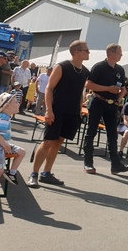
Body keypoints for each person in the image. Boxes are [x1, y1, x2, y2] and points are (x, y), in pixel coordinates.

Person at [27, 41, 91, 188]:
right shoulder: (62, 67)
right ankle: (34, 174)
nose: (88, 53)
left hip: (72, 112)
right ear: (76, 52)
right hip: (57, 111)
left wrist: (80, 109)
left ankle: (46, 173)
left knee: (58, 142)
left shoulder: (85, 72)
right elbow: (49, 89)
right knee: (48, 141)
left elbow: (81, 92)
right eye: (86, 50)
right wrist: (49, 110)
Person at [82, 43, 128, 175]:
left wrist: (119, 98)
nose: (121, 55)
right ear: (112, 53)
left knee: (112, 134)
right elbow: (89, 84)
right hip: (98, 101)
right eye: (119, 53)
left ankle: (115, 164)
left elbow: (123, 88)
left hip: (112, 104)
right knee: (91, 131)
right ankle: (88, 162)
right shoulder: (99, 67)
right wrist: (108, 88)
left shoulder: (120, 70)